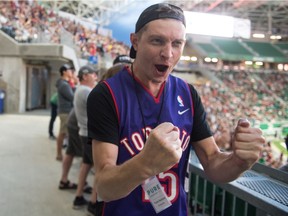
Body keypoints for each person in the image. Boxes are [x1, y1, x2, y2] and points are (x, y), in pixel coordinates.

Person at [87, 3, 265, 216]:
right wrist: (145, 163)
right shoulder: (107, 94)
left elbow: (212, 163)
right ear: (135, 41)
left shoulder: (188, 94)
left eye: (177, 43)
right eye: (157, 41)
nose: (167, 53)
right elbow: (105, 187)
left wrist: (238, 162)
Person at [72, 65, 99, 215]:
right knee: (99, 170)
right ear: (85, 76)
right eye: (93, 74)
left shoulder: (80, 90)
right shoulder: (86, 91)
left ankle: (79, 196)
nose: (95, 76)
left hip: (84, 133)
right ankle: (94, 203)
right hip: (90, 134)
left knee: (86, 165)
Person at [55, 63, 74, 161]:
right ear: (64, 72)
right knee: (62, 133)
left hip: (65, 111)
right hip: (65, 111)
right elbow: (72, 97)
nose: (72, 72)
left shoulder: (64, 83)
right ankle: (59, 154)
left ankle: (60, 154)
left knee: (64, 133)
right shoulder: (64, 84)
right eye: (70, 70)